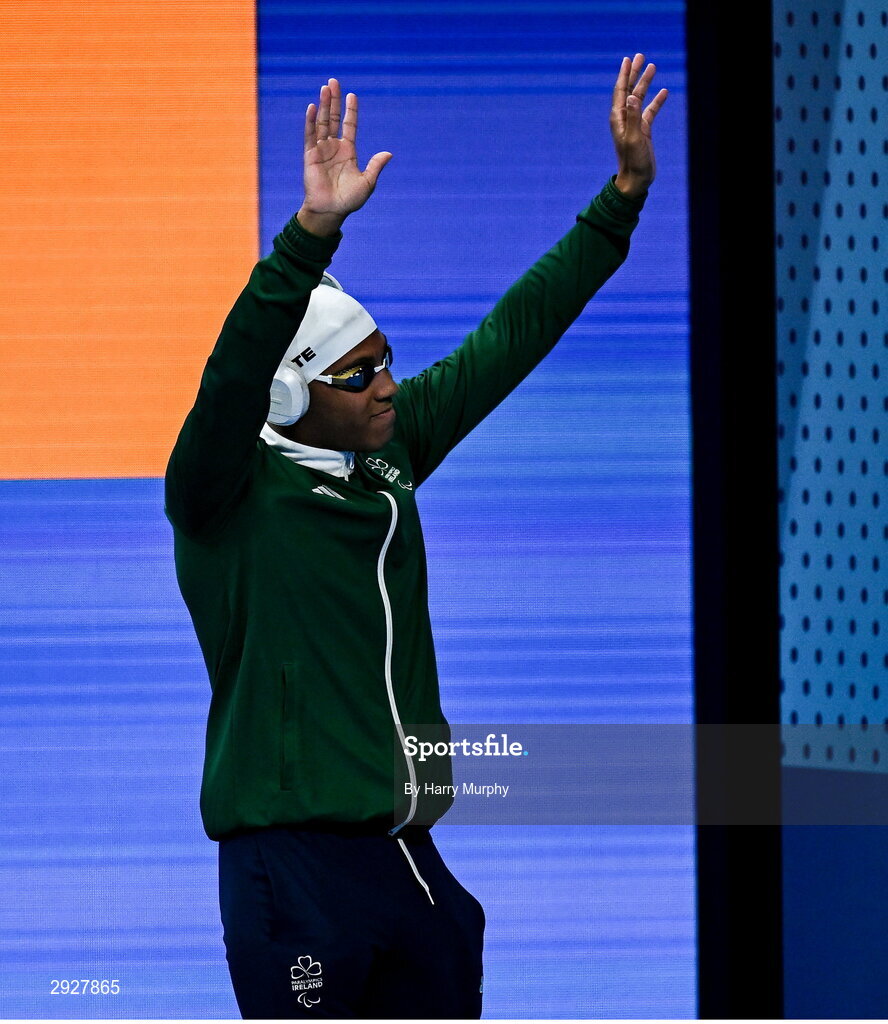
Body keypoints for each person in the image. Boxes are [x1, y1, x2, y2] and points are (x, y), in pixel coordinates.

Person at [165, 55, 667, 1020]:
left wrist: (622, 200)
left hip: (409, 857)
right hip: (291, 870)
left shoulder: (386, 459)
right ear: (293, 396)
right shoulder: (223, 496)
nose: (387, 385)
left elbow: (508, 337)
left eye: (386, 359)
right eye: (357, 376)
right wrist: (311, 234)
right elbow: (227, 378)